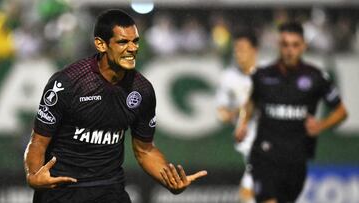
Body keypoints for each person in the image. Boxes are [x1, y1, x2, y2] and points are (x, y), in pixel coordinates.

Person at [23, 9, 207, 203]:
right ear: (101, 44)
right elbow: (38, 142)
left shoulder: (142, 90)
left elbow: (145, 150)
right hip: (62, 189)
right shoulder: (67, 83)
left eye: (135, 41)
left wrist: (169, 180)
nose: (132, 48)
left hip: (110, 189)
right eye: (122, 42)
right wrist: (33, 175)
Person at [235, 22, 348, 203]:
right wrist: (242, 124)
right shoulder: (263, 76)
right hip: (265, 156)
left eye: (295, 45)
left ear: (303, 46)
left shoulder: (315, 77)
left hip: (296, 160)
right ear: (279, 46)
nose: (290, 51)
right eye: (285, 45)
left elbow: (341, 111)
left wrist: (321, 125)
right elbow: (250, 103)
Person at [216, 30, 258, 203]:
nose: (238, 53)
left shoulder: (265, 75)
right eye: (236, 49)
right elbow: (221, 113)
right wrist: (240, 113)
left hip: (267, 142)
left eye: (243, 48)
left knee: (247, 193)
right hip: (248, 143)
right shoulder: (228, 77)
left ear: (255, 50)